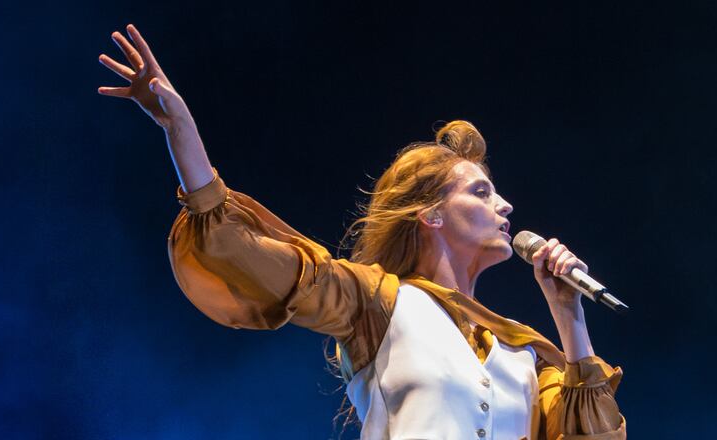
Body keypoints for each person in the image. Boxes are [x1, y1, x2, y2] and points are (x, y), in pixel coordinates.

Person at [98, 24, 626, 439]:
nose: (505, 205)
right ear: (430, 215)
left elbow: (592, 433)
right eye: (481, 192)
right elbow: (254, 258)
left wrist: (569, 316)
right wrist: (181, 130)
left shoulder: (524, 354)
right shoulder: (378, 303)